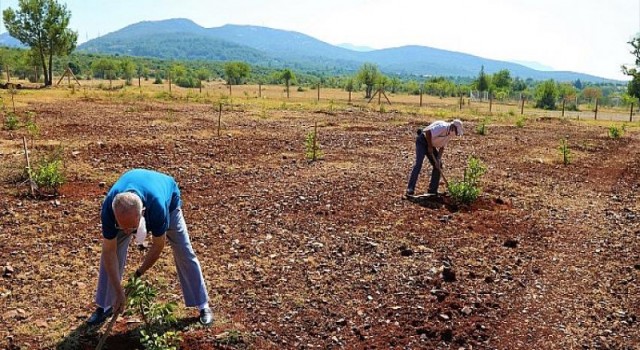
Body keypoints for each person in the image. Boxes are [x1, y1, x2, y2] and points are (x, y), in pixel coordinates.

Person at [87, 169, 213, 326]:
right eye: (122, 227)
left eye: (132, 228)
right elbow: (109, 251)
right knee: (112, 251)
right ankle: (104, 306)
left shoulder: (157, 208)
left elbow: (158, 246)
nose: (127, 232)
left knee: (183, 249)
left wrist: (138, 274)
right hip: (134, 190)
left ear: (142, 214)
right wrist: (119, 291)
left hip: (167, 195)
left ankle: (203, 305)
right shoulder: (109, 208)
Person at [406, 119, 463, 196]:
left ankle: (432, 190)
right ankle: (410, 188)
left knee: (438, 166)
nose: (456, 134)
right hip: (422, 141)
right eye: (456, 131)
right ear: (453, 127)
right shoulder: (442, 126)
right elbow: (428, 132)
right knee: (418, 164)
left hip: (431, 145)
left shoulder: (449, 135)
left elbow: (442, 147)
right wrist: (429, 146)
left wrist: (438, 159)